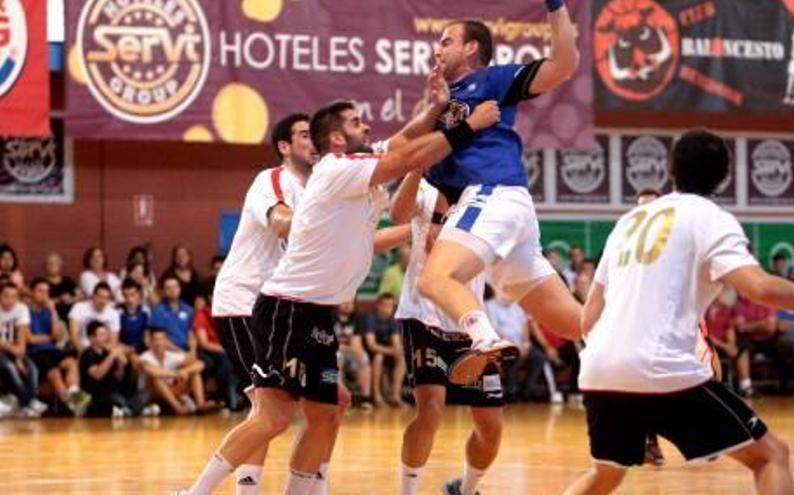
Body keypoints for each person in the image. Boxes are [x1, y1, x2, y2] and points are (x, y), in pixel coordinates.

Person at [179, 75, 498, 495]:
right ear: (336, 139)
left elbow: (403, 142)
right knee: (272, 415)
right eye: (356, 122)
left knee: (328, 411)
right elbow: (406, 156)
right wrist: (466, 126)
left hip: (317, 313)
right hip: (286, 308)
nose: (367, 127)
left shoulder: (354, 173)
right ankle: (196, 493)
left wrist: (436, 108)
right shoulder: (338, 170)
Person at [561, 129, 794, 495]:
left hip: (600, 370)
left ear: (670, 169)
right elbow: (759, 288)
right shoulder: (710, 218)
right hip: (660, 368)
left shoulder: (628, 223)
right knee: (771, 455)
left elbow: (588, 319)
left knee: (606, 475)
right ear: (726, 176)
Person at [417, 7, 584, 385]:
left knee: (434, 280)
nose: (437, 49)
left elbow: (564, 63)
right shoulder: (440, 104)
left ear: (472, 47)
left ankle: (485, 339)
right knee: (577, 324)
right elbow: (437, 173)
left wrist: (555, 6)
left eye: (446, 41)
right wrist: (439, 221)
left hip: (493, 194)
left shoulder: (491, 80)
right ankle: (661, 340)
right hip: (493, 210)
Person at [209, 111, 317, 494]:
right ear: (285, 147)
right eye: (305, 134)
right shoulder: (272, 180)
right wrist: (321, 222)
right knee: (270, 410)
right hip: (242, 302)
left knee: (276, 411)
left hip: (275, 310)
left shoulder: (314, 188)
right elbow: (279, 221)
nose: (313, 140)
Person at [390, 168, 502, 495]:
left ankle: (464, 490)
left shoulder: (490, 195)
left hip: (470, 319)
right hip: (423, 314)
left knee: (491, 426)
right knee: (431, 410)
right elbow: (397, 214)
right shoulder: (424, 186)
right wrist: (416, 165)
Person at [27, 277, 90, 415]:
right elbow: (29, 339)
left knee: (71, 363)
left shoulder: (49, 311)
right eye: (40, 291)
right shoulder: (25, 311)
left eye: (47, 292)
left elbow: (56, 337)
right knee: (54, 373)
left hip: (52, 349)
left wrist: (53, 311)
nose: (44, 295)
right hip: (35, 353)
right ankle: (70, 404)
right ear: (32, 292)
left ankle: (74, 397)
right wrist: (46, 337)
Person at [79, 321, 155, 417]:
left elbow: (118, 376)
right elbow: (97, 375)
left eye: (106, 334)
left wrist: (120, 363)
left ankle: (128, 410)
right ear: (91, 338)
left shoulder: (107, 352)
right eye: (101, 335)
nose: (105, 338)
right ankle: (135, 410)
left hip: (115, 391)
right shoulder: (88, 354)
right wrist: (112, 355)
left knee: (146, 394)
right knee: (117, 399)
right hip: (98, 395)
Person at [139, 327, 214, 416]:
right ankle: (178, 408)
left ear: (167, 341)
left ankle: (201, 405)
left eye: (162, 339)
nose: (159, 343)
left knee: (195, 373)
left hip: (172, 391)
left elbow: (200, 364)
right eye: (156, 340)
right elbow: (152, 371)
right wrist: (176, 374)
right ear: (151, 342)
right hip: (151, 394)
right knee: (156, 379)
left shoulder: (171, 355)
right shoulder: (144, 357)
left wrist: (185, 371)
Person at [0, 282, 45, 417]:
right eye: (6, 296)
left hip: (13, 347)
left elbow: (22, 333)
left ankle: (27, 404)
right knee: (9, 367)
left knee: (31, 368)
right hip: (3, 348)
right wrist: (13, 350)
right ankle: (28, 402)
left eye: (14, 297)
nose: (10, 300)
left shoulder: (21, 308)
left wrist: (20, 355)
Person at [363, 292, 405, 407]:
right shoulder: (370, 318)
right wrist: (392, 351)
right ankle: (377, 396)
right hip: (371, 353)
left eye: (390, 306)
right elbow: (371, 345)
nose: (387, 309)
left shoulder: (394, 320)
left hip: (387, 351)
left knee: (401, 358)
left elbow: (396, 342)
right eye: (384, 305)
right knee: (378, 356)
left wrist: (397, 351)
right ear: (378, 305)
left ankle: (395, 395)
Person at [334, 299, 372, 409]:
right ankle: (338, 397)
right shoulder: (331, 316)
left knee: (363, 357)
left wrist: (357, 352)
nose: (347, 305)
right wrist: (348, 348)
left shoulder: (357, 318)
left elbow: (357, 344)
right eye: (344, 302)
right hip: (335, 351)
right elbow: (332, 344)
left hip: (349, 351)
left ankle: (366, 398)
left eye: (350, 303)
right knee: (336, 357)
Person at [68, 282, 121, 355]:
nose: (102, 301)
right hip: (81, 349)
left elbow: (113, 341)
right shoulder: (78, 307)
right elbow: (74, 335)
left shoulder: (114, 314)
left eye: (106, 298)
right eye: (100, 296)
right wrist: (83, 353)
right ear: (93, 295)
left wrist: (101, 354)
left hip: (103, 351)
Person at [149, 275, 196, 354]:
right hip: (168, 350)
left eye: (175, 287)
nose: (172, 290)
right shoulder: (158, 311)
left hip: (186, 348)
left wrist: (193, 351)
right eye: (168, 288)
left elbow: (191, 334)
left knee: (206, 361)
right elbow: (159, 339)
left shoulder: (188, 310)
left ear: (180, 289)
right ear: (163, 291)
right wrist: (180, 352)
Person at [43, 252, 81, 323]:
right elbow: (40, 300)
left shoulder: (68, 281)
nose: (52, 266)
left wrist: (71, 299)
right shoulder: (41, 282)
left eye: (55, 263)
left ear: (60, 265)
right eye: (49, 264)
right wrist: (59, 300)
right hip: (51, 317)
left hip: (71, 316)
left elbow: (81, 296)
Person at [118, 278, 150, 354]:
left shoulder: (145, 310)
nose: (129, 299)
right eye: (126, 295)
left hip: (140, 349)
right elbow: (115, 337)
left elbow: (146, 338)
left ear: (138, 294)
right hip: (122, 350)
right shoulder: (117, 311)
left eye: (132, 294)